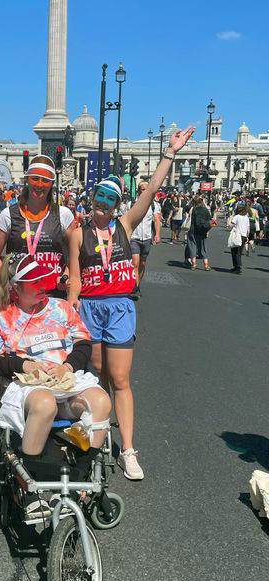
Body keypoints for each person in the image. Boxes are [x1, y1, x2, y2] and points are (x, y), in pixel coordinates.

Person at [68, 127, 194, 480]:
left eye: (109, 198)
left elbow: (152, 189)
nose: (102, 203)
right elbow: (75, 276)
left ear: (118, 204)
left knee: (120, 378)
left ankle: (128, 448)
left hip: (120, 306)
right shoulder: (78, 234)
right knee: (97, 376)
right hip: (90, 308)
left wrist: (170, 152)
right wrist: (72, 306)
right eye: (98, 197)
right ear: (91, 199)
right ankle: (98, 434)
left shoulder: (126, 224)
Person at [0, 253, 111, 517]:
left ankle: (81, 478)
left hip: (66, 380)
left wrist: (67, 366)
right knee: (44, 403)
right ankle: (31, 485)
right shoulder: (4, 320)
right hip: (30, 387)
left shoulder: (61, 308)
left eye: (43, 279)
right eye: (33, 283)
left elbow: (82, 342)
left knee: (101, 402)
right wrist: (24, 365)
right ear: (15, 289)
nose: (42, 285)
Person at [0, 155, 76, 298]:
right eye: (35, 178)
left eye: (45, 180)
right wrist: (6, 281)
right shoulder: (7, 215)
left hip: (53, 295)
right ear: (27, 180)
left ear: (52, 183)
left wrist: (66, 275)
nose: (39, 185)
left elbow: (74, 254)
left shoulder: (64, 215)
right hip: (20, 297)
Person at [129, 181, 161, 298]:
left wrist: (157, 234)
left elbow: (157, 220)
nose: (144, 192)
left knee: (142, 263)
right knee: (135, 263)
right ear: (138, 191)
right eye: (142, 189)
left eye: (146, 190)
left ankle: (138, 284)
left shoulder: (153, 205)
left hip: (147, 237)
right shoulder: (132, 204)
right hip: (134, 237)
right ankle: (134, 288)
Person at [185, 195, 212, 270]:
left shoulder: (193, 209)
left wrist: (192, 200)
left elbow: (186, 207)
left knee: (192, 247)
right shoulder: (205, 210)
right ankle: (206, 265)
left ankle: (194, 264)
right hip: (202, 231)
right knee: (203, 248)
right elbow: (209, 220)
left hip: (193, 230)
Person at [229, 204, 249, 274]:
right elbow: (248, 228)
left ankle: (237, 267)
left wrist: (231, 223)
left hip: (237, 235)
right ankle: (237, 266)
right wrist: (247, 237)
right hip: (244, 236)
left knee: (234, 251)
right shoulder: (246, 218)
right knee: (239, 252)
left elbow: (231, 225)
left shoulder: (237, 217)